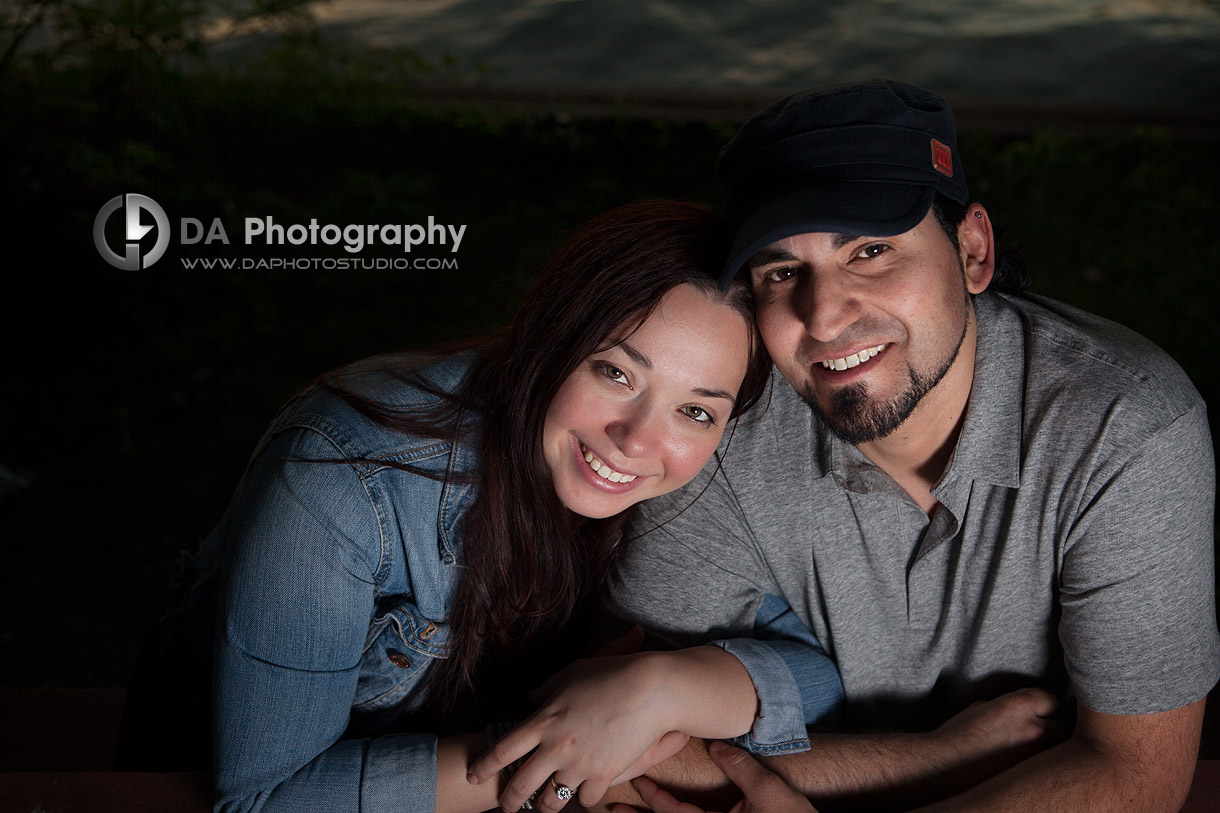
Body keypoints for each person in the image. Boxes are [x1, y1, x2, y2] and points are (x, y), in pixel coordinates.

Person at [605, 80, 1219, 811]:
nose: (825, 314)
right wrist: (949, 758)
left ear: (972, 251)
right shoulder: (714, 428)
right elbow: (630, 745)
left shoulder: (1123, 424)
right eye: (782, 271)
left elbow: (1135, 776)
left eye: (870, 249)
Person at [159, 199, 835, 813]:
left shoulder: (687, 476)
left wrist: (659, 687)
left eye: (695, 410)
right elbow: (263, 798)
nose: (637, 440)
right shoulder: (343, 474)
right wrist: (554, 749)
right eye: (616, 372)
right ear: (554, 340)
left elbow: (819, 669)